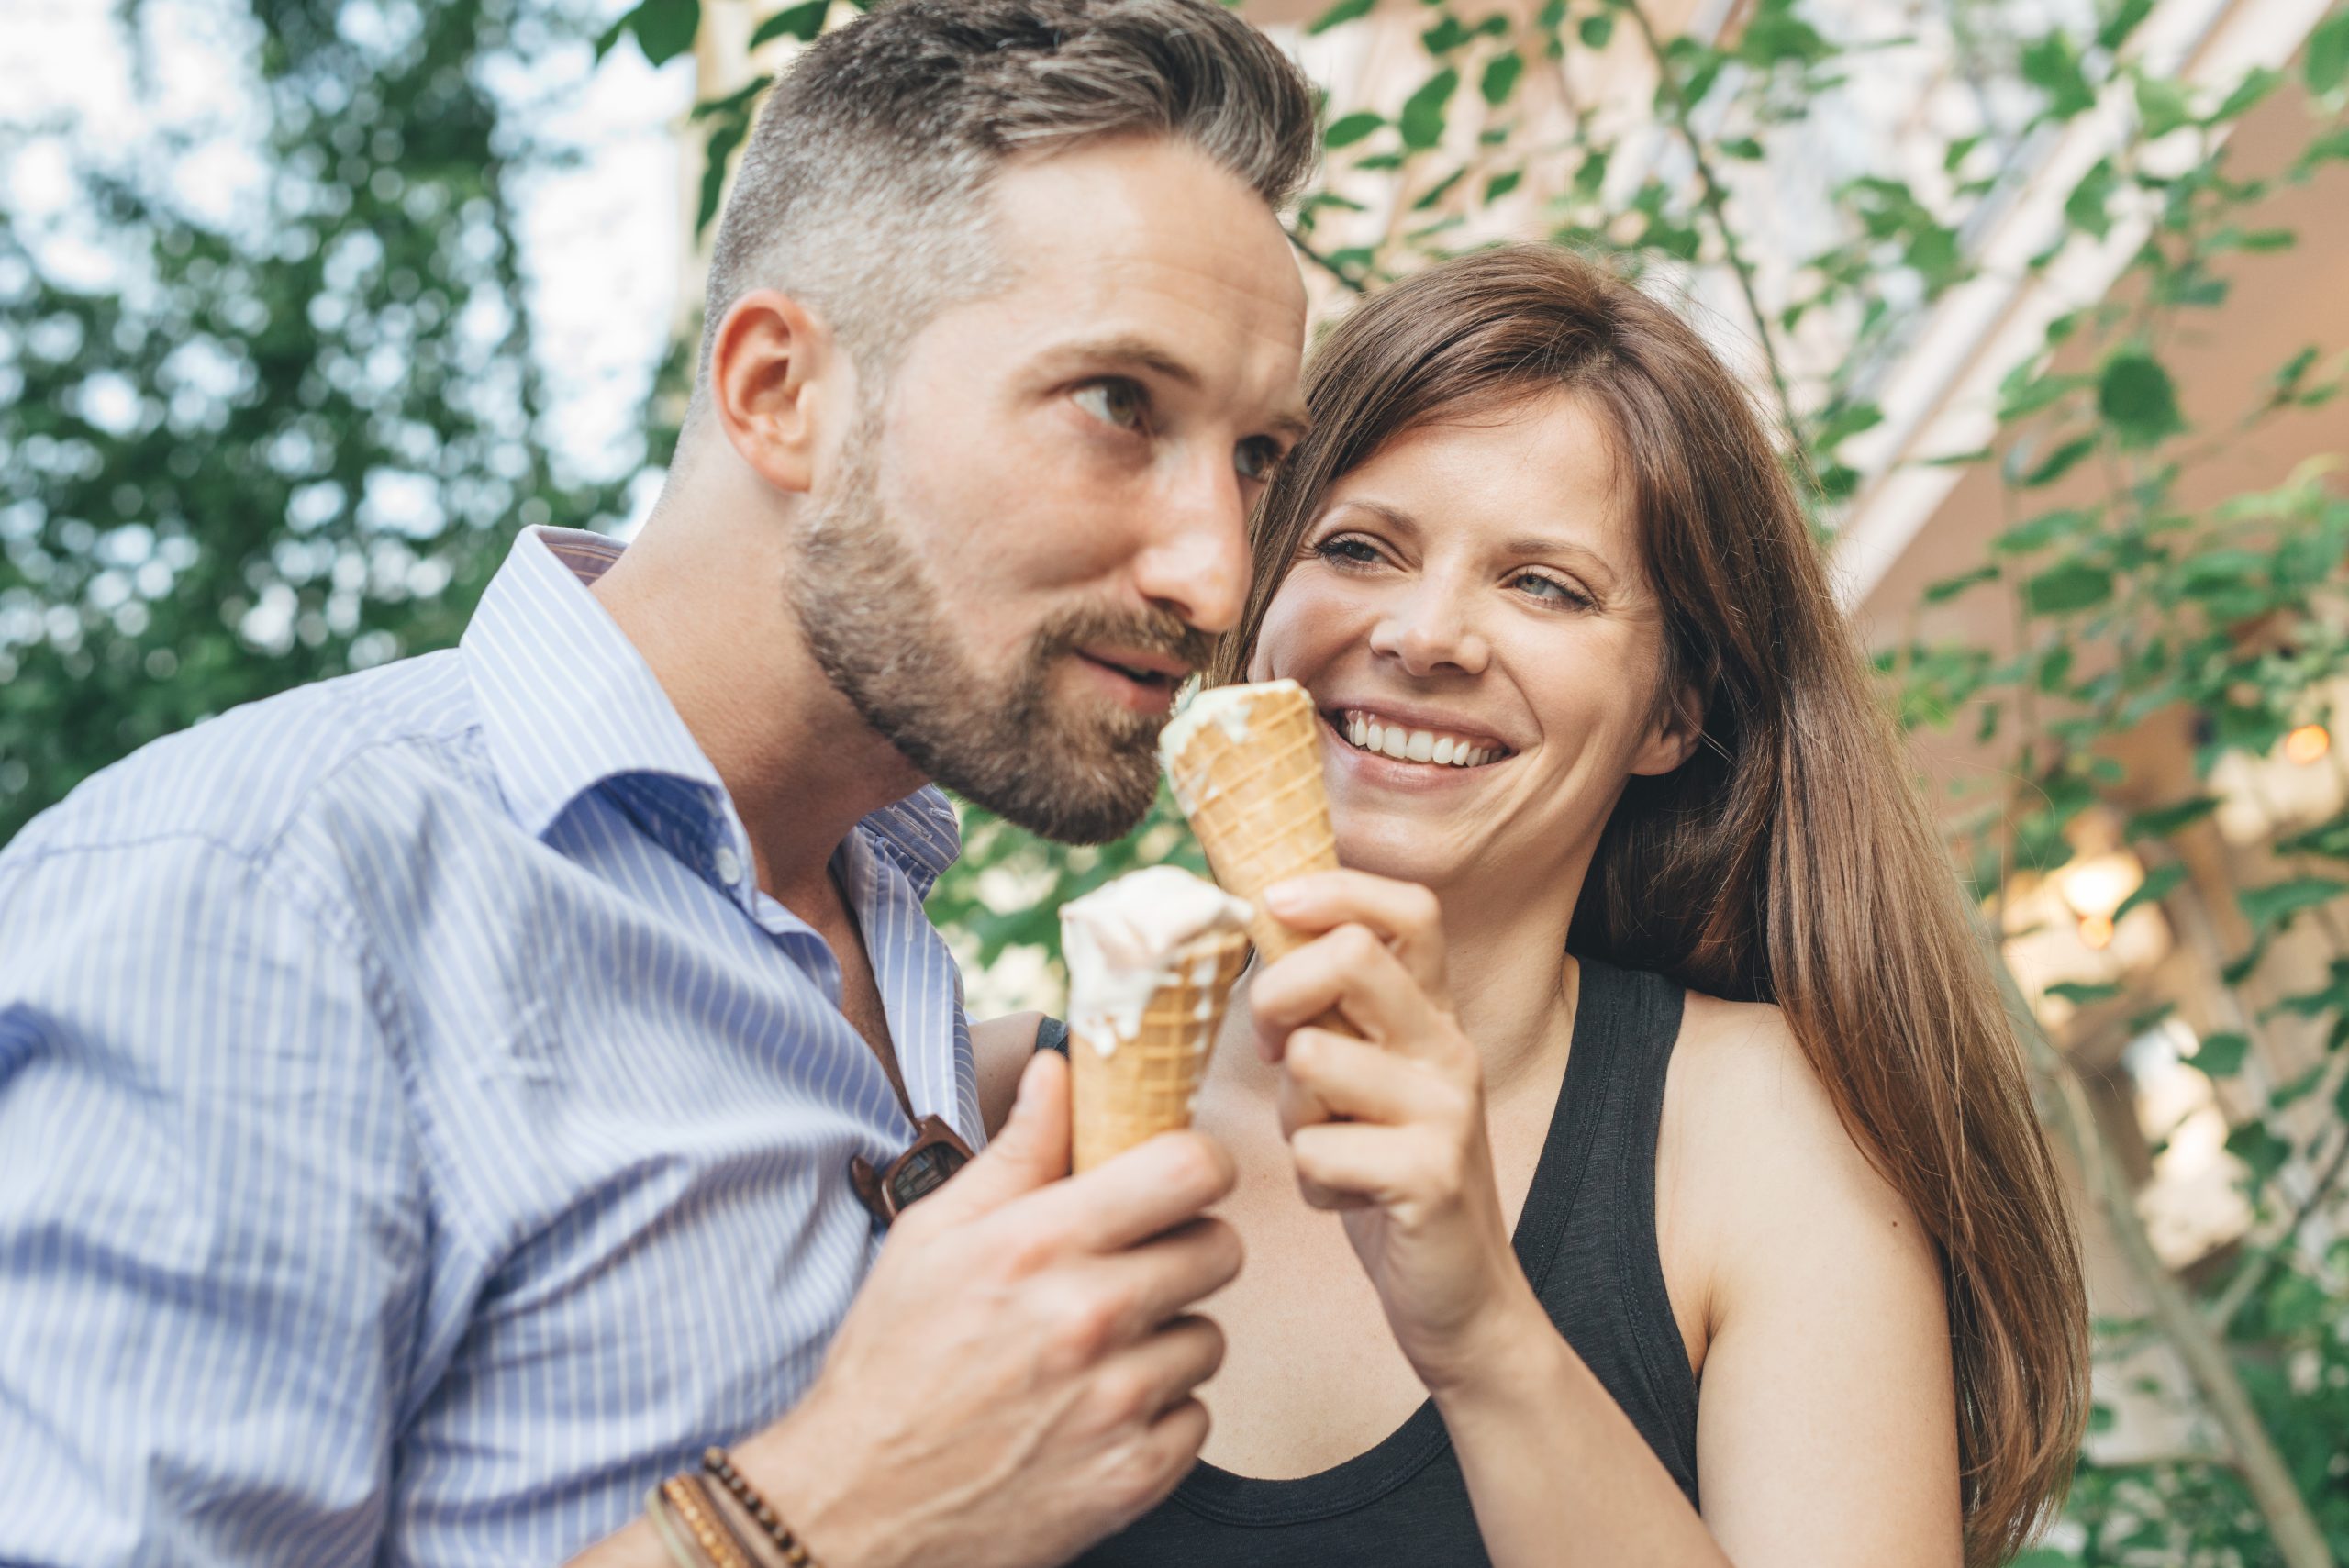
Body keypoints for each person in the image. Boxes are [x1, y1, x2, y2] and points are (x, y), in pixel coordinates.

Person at [0, 2, 1318, 1563]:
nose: (1219, 574)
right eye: (1119, 405)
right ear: (778, 391)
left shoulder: (877, 898)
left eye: (1254, 458)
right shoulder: (259, 896)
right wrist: (823, 1513)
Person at [974, 246, 2090, 1567]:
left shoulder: (1762, 1142)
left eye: (1544, 584)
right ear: (1254, 598)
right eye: (1358, 547)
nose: (1428, 633)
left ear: (1674, 710)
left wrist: (1488, 1336)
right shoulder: (986, 1112)